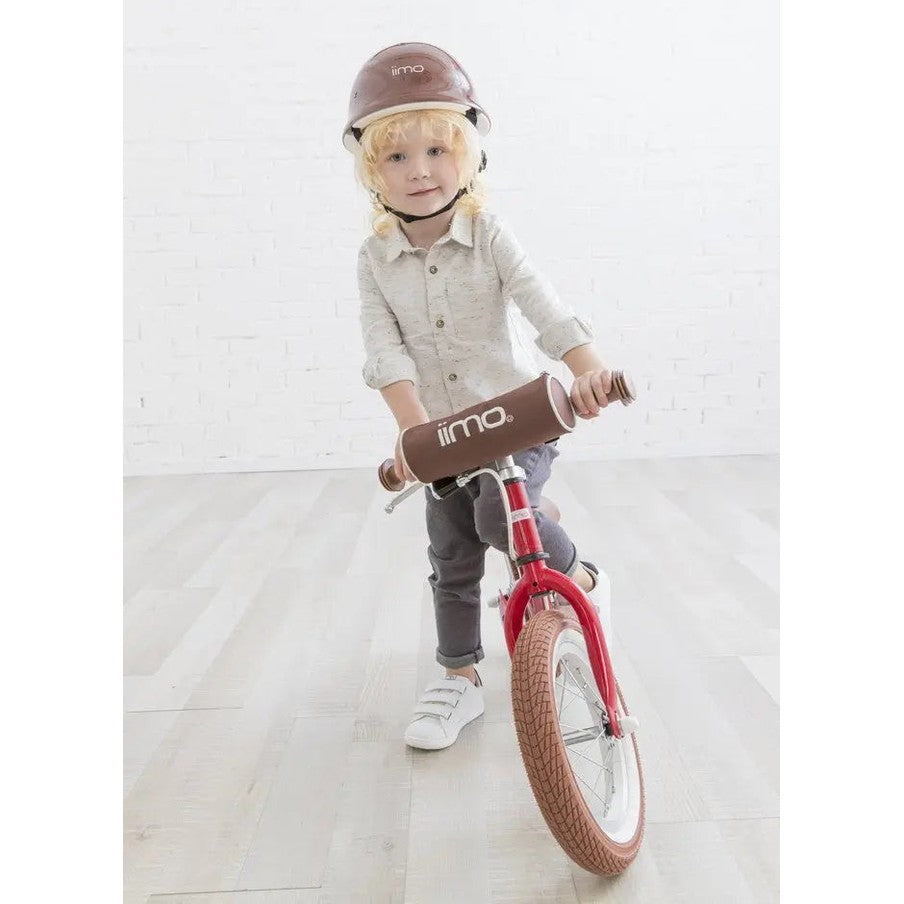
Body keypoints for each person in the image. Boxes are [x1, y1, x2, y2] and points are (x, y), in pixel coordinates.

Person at [344, 42, 614, 750]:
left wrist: (587, 370)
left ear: (468, 155)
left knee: (501, 509)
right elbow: (387, 351)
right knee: (453, 553)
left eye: (437, 149)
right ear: (373, 173)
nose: (420, 171)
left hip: (515, 414)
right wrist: (413, 436)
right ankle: (458, 679)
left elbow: (544, 308)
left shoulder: (489, 233)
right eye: (397, 158)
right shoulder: (374, 262)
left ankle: (577, 569)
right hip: (444, 432)